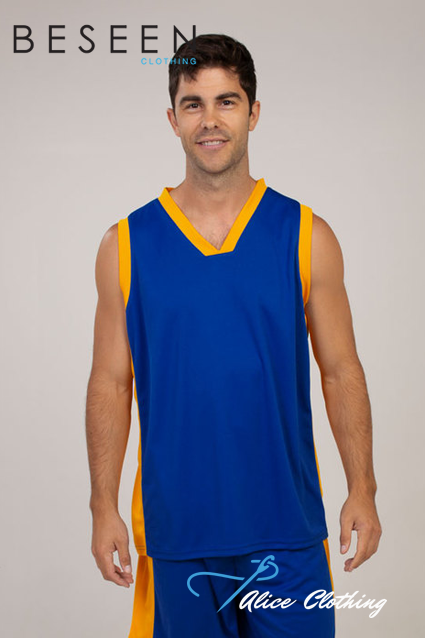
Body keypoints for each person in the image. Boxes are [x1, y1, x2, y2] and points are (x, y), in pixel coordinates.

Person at [85, 33, 382, 638]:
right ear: (173, 119)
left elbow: (340, 371)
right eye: (193, 104)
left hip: (286, 530)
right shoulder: (126, 244)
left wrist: (363, 488)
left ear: (253, 112)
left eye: (227, 101)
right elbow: (111, 383)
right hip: (177, 535)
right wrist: (101, 506)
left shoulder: (307, 235)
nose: (210, 120)